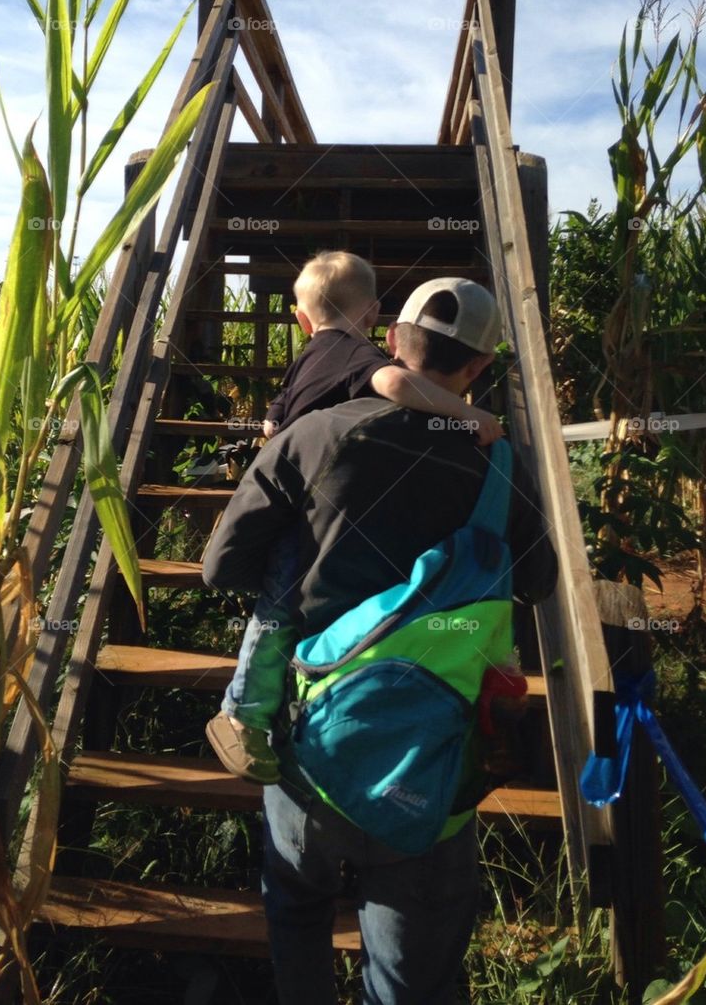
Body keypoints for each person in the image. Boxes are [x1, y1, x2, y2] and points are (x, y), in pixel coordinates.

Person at [201, 277, 557, 1005]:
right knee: (409, 976)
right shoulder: (501, 467)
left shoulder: (314, 436)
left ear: (391, 339)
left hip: (311, 757)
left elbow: (220, 566)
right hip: (431, 770)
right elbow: (540, 580)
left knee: (296, 915)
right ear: (481, 368)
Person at [206, 253, 503, 784]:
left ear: (302, 319)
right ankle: (241, 713)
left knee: (276, 609)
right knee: (279, 609)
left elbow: (285, 408)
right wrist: (469, 414)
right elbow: (395, 385)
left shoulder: (320, 351)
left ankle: (253, 712)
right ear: (372, 317)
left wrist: (275, 429)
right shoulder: (353, 352)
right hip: (308, 507)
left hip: (295, 502)